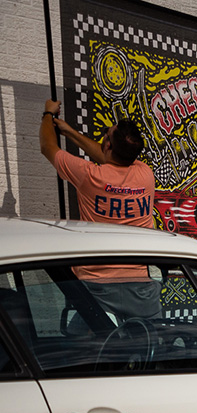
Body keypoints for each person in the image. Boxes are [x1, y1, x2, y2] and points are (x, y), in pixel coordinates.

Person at [39, 100, 160, 318]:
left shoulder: (89, 176)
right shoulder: (145, 175)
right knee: (150, 344)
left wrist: (48, 113)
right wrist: (69, 131)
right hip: (139, 286)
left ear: (107, 146)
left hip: (96, 287)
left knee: (89, 347)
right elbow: (109, 157)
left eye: (106, 134)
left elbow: (48, 147)